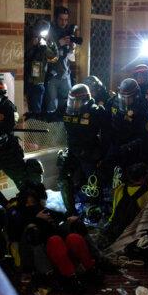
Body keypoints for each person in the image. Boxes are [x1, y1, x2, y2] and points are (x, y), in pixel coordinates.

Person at [6, 181, 102, 293]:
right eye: (30, 202)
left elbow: (58, 226)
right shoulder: (15, 212)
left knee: (74, 234)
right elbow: (15, 235)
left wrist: (68, 222)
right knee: (50, 239)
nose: (32, 205)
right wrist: (35, 220)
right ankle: (66, 278)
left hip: (58, 247)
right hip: (38, 253)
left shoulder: (44, 210)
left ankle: (93, 267)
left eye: (35, 201)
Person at [57, 83, 107, 216]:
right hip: (73, 151)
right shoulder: (66, 109)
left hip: (89, 153)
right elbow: (52, 116)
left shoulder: (96, 111)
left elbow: (107, 134)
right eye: (72, 101)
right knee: (62, 178)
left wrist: (103, 155)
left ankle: (94, 211)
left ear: (85, 100)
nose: (74, 105)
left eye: (77, 102)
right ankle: (71, 212)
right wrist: (34, 114)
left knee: (93, 184)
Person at [104, 78, 148, 173]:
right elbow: (106, 124)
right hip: (116, 142)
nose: (125, 100)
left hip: (133, 145)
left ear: (136, 95)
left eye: (128, 97)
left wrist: (131, 145)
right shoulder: (112, 102)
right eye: (123, 97)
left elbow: (146, 134)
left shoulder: (143, 107)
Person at [45, 6, 77, 116]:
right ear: (55, 19)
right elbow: (46, 54)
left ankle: (63, 130)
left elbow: (71, 58)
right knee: (51, 106)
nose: (64, 22)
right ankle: (51, 131)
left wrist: (72, 48)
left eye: (66, 20)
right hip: (52, 76)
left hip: (65, 75)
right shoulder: (50, 32)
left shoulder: (68, 32)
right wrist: (59, 44)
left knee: (66, 106)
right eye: (61, 19)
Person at [25, 19, 58, 118]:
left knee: (37, 110)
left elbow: (54, 57)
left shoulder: (48, 42)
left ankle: (36, 128)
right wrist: (32, 44)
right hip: (26, 79)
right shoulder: (28, 37)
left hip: (39, 81)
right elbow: (21, 54)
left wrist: (44, 47)